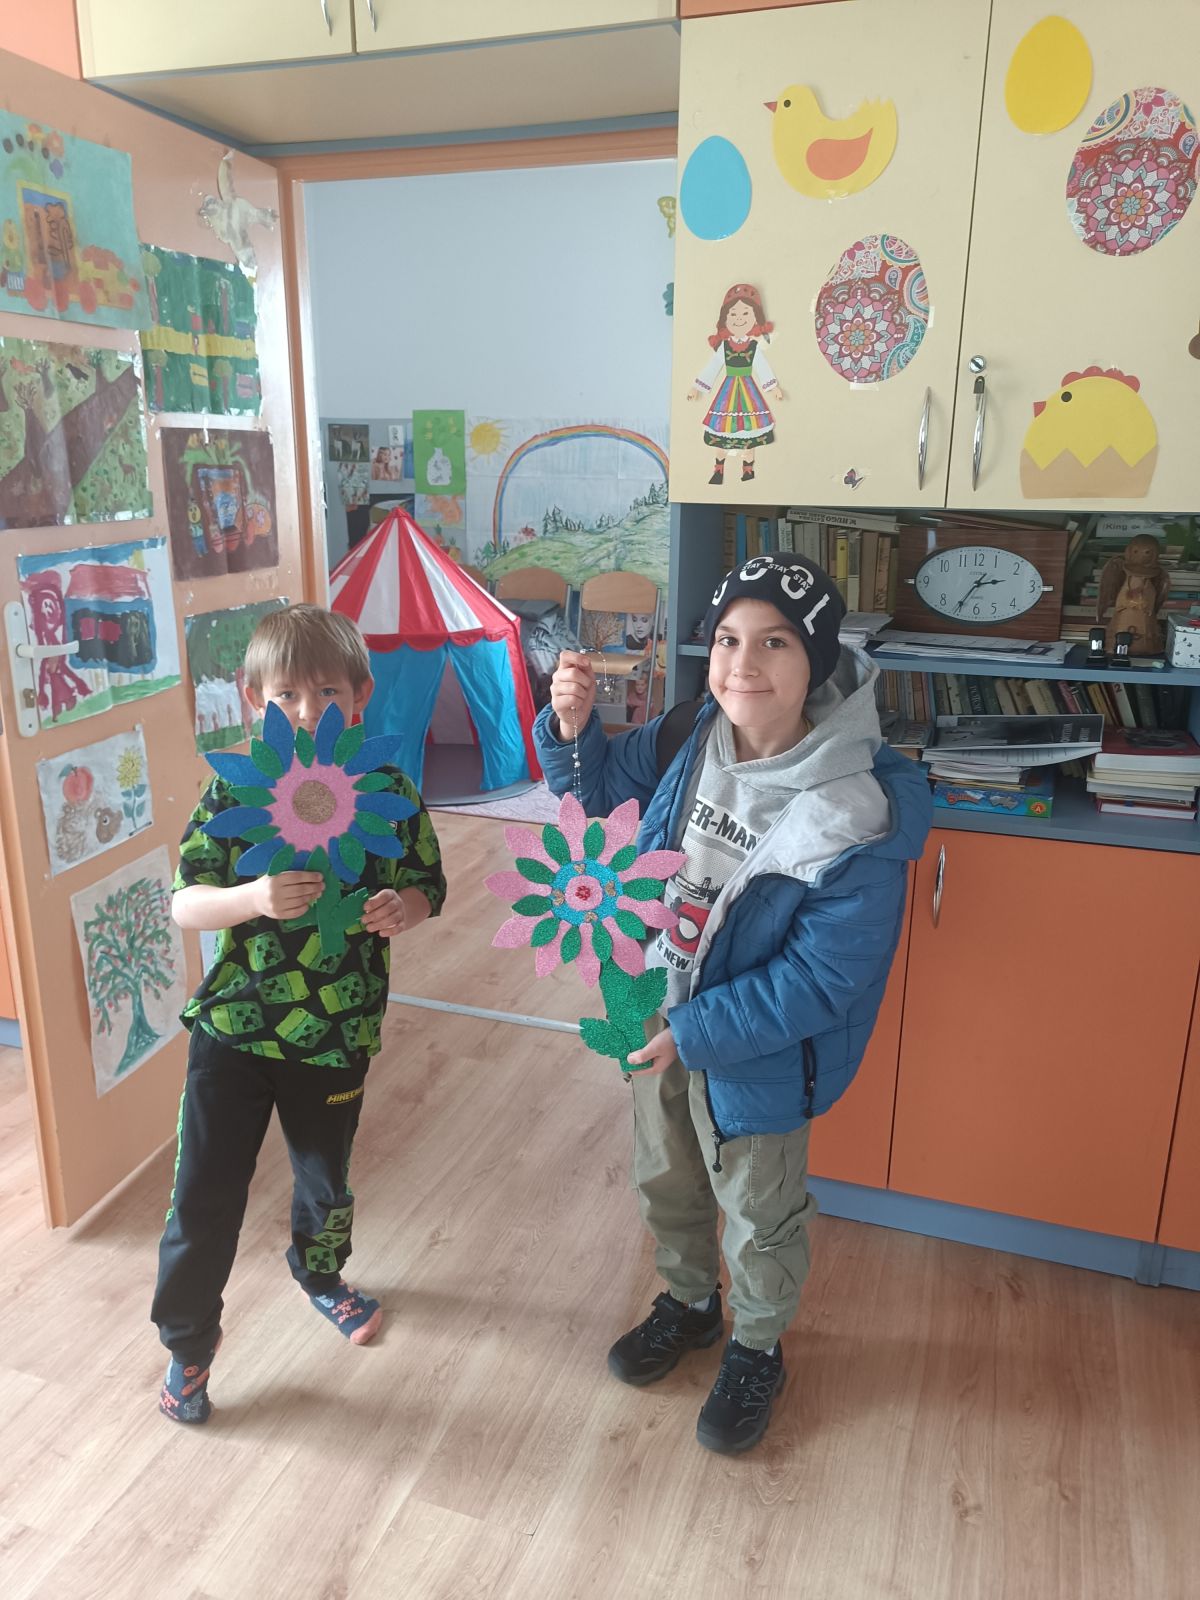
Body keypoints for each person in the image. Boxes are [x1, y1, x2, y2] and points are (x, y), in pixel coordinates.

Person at [537, 554, 931, 1454]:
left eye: (774, 643)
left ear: (815, 660)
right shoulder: (691, 729)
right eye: (726, 639)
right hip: (655, 1007)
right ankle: (689, 1303)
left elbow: (822, 977)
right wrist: (572, 728)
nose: (742, 664)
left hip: (755, 1051)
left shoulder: (856, 804)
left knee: (758, 1211)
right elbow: (599, 801)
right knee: (665, 1172)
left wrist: (694, 1031)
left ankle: (757, 1347)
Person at [152, 604, 446, 1424]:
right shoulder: (235, 788)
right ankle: (188, 1344)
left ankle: (320, 1273)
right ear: (255, 699)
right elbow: (184, 903)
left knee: (326, 1178)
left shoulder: (388, 789)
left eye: (326, 693)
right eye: (286, 695)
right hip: (235, 1032)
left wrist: (404, 908)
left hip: (337, 1033)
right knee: (203, 1193)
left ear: (361, 694)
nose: (308, 711)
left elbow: (429, 883)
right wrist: (249, 897)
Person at [688, 283, 783, 486]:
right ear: (725, 319)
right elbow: (713, 366)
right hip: (727, 392)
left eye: (745, 314)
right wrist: (697, 387)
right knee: (722, 431)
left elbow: (762, 367)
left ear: (756, 319)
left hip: (749, 393)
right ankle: (718, 470)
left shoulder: (754, 346)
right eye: (733, 314)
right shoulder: (724, 346)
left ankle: (748, 470)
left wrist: (772, 387)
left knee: (750, 432)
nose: (739, 319)